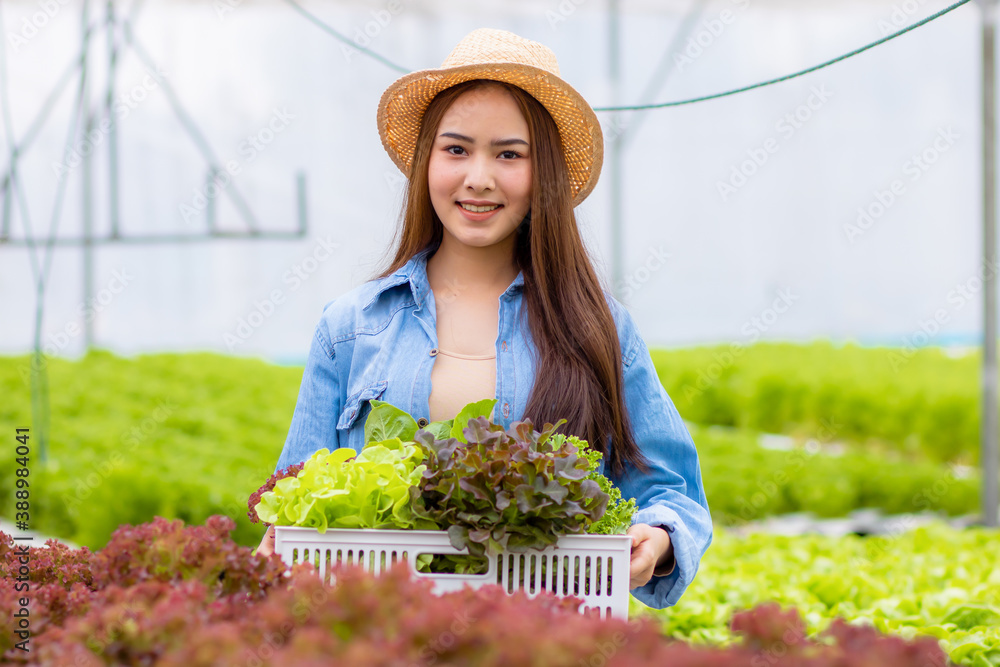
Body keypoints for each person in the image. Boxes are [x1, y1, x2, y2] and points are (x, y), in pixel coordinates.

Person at [256, 27, 712, 610]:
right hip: (383, 630)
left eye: (509, 154)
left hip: (547, 631)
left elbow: (671, 489)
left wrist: (659, 539)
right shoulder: (351, 326)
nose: (478, 177)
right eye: (456, 149)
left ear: (541, 171)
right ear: (426, 162)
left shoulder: (598, 326)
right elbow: (295, 494)